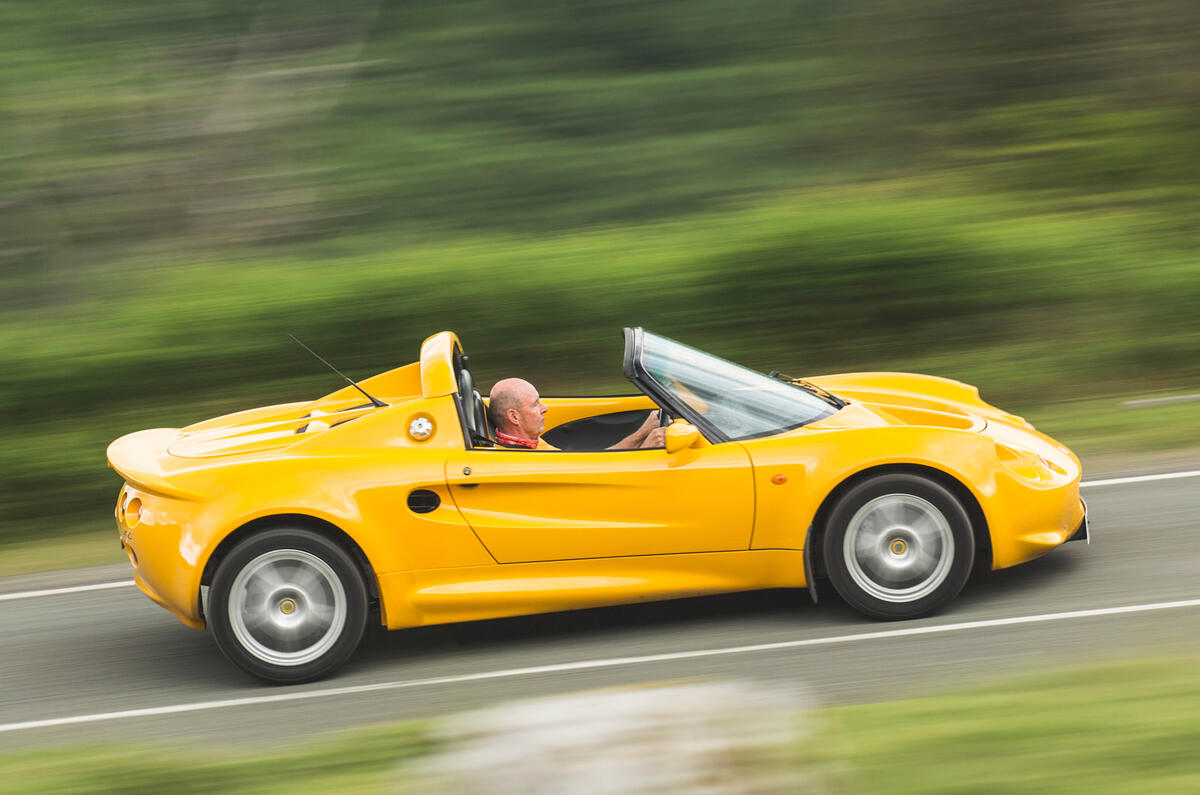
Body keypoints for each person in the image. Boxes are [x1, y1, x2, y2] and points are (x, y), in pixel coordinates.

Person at [487, 378, 665, 450]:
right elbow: (596, 474)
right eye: (535, 404)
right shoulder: (524, 459)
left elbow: (594, 462)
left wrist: (643, 432)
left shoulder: (531, 442)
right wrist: (645, 447)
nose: (545, 408)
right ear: (514, 417)